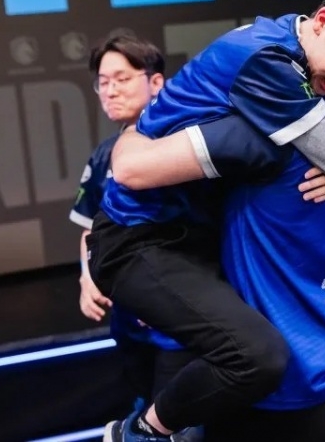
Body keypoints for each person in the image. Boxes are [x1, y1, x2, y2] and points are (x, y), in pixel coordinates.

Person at [89, 0, 325, 441]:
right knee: (252, 356)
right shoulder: (268, 74)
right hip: (140, 235)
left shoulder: (316, 83)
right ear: (324, 21)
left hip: (197, 233)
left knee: (234, 359)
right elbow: (128, 169)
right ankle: (140, 432)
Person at [68, 30, 201, 442]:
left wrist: (156, 295)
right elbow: (91, 228)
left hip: (178, 328)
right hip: (129, 326)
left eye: (122, 79)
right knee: (143, 407)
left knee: (174, 424)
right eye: (103, 82)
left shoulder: (184, 147)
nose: (110, 91)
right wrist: (87, 277)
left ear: (156, 82)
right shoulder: (104, 154)